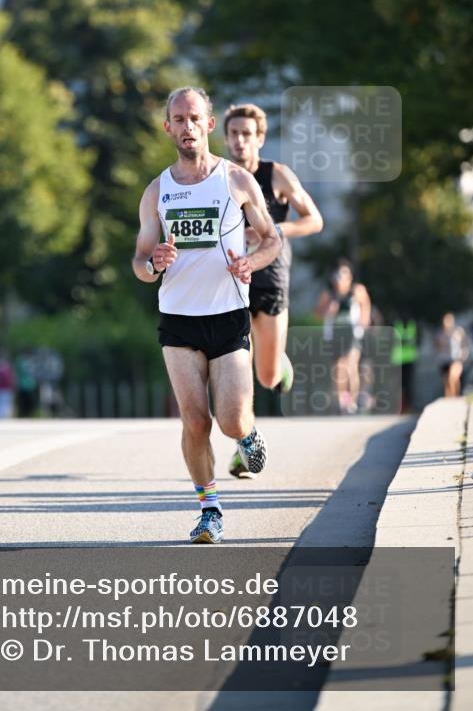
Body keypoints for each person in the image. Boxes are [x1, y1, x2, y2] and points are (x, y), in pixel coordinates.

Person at [132, 86, 281, 544]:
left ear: (209, 124)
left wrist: (250, 262)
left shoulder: (236, 179)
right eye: (179, 119)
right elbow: (139, 262)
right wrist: (153, 263)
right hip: (178, 320)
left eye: (195, 118)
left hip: (229, 315)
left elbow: (271, 239)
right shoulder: (157, 191)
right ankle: (209, 510)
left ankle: (248, 435)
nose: (188, 126)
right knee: (195, 421)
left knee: (231, 420)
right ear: (168, 128)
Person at [222, 104, 323, 476]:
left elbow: (314, 220)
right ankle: (245, 446)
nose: (240, 140)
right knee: (237, 370)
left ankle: (280, 364)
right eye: (234, 133)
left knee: (266, 377)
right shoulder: (220, 176)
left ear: (260, 138)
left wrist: (276, 230)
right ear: (226, 138)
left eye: (247, 134)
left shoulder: (276, 175)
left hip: (271, 278)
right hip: (231, 279)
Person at [316, 260, 371, 415]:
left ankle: (352, 402)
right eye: (337, 275)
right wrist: (328, 310)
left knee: (352, 365)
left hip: (353, 333)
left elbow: (366, 305)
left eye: (343, 274)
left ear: (350, 276)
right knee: (339, 368)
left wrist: (364, 321)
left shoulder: (357, 290)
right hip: (334, 334)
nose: (340, 278)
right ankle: (341, 401)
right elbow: (318, 313)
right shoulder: (328, 294)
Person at [435, 313, 469, 398]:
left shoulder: (459, 331)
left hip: (456, 359)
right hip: (444, 360)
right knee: (447, 382)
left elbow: (465, 344)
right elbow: (437, 346)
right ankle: (449, 398)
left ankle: (455, 396)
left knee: (453, 378)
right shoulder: (440, 333)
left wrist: (464, 354)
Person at [14, 346, 38, 417]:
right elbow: (17, 373)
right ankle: (23, 415)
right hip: (23, 385)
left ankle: (29, 415)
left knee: (30, 404)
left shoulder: (32, 361)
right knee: (22, 403)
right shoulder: (20, 361)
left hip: (31, 385)